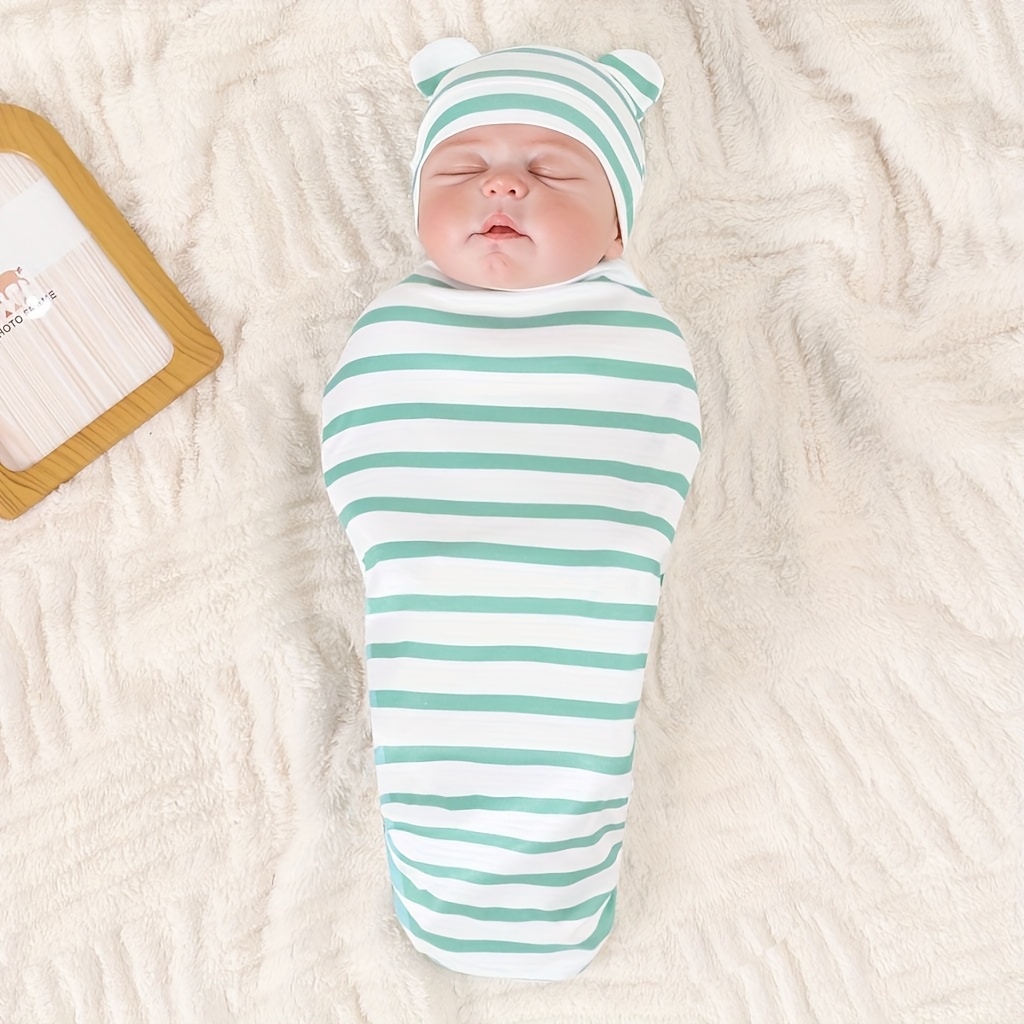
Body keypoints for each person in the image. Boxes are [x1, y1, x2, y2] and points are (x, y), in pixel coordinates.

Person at [321, 37, 701, 981]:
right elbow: (369, 459)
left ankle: (552, 876)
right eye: (463, 168)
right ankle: (452, 878)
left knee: (573, 697)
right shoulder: (397, 326)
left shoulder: (635, 334)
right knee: (435, 693)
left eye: (550, 170)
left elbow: (640, 471)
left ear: (618, 227)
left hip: (578, 584)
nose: (501, 188)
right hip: (433, 578)